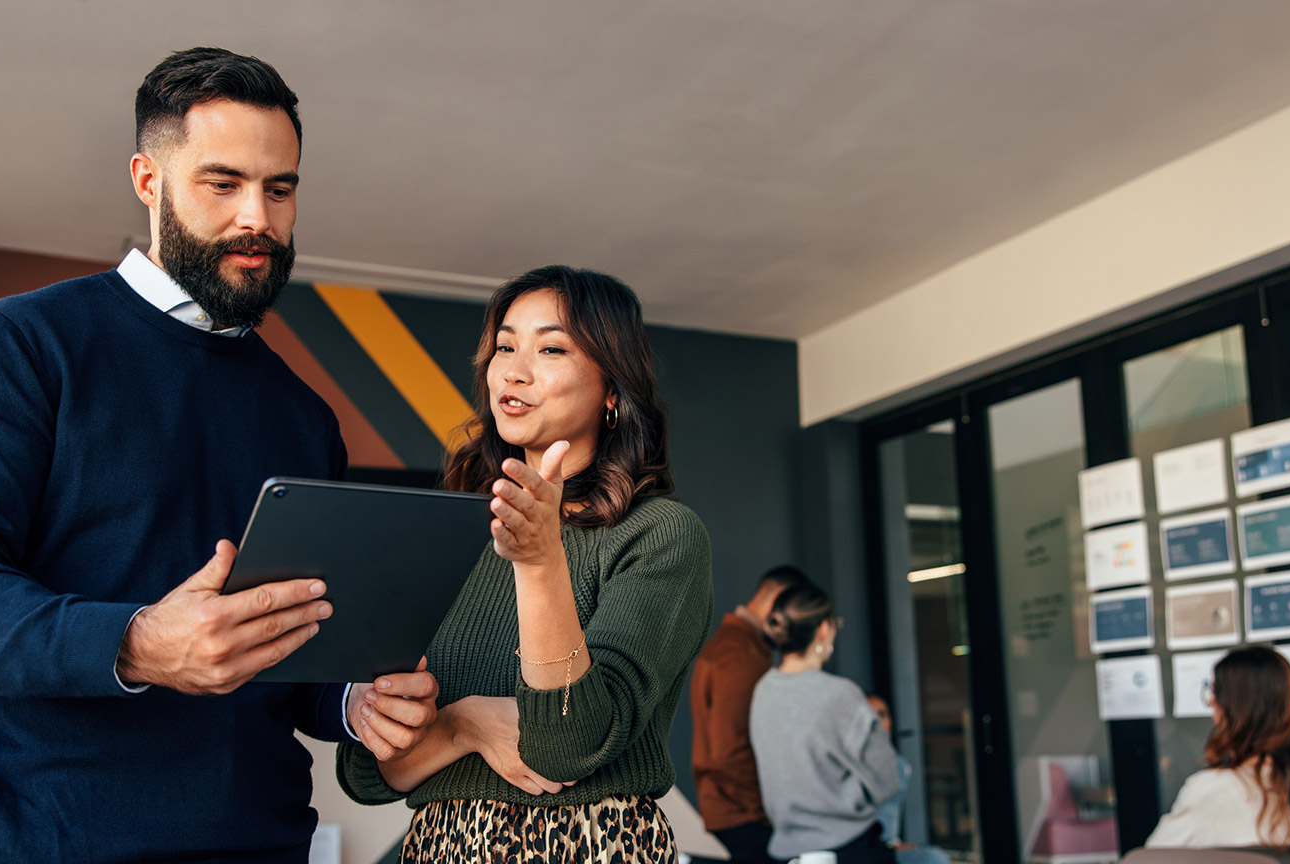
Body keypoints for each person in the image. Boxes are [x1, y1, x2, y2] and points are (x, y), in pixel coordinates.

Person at [0, 47, 437, 863]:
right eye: (224, 183)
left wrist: (355, 701)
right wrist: (136, 643)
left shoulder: (304, 415)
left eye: (279, 189)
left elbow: (294, 647)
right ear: (149, 180)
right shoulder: (25, 345)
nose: (258, 217)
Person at [336, 265, 714, 863]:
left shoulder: (659, 535)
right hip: (439, 848)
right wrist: (464, 724)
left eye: (552, 348)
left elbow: (565, 745)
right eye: (505, 346)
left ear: (612, 389)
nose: (513, 369)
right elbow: (366, 768)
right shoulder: (442, 537)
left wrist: (540, 563)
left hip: (591, 845)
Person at [1146, 645, 1290, 853]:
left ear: (1235, 711)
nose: (1211, 707)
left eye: (1215, 696)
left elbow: (1149, 858)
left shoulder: (1212, 791)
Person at [750, 583, 900, 864]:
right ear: (823, 629)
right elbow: (888, 779)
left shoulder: (763, 691)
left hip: (787, 852)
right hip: (851, 849)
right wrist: (848, 798)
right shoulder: (840, 694)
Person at [690, 565, 812, 863]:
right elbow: (731, 749)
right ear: (779, 603)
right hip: (744, 814)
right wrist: (766, 811)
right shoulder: (740, 654)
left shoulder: (739, 645)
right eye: (796, 614)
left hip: (736, 811)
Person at [865, 695, 952, 864]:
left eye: (882, 715)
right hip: (860, 851)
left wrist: (893, 843)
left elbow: (889, 820)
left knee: (932, 857)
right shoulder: (846, 768)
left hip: (886, 848)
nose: (877, 721)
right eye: (869, 714)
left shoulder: (899, 766)